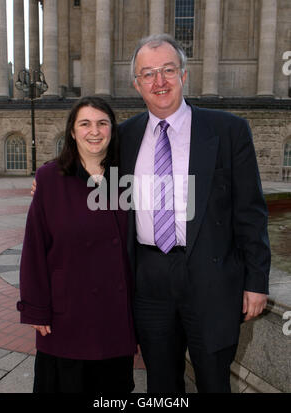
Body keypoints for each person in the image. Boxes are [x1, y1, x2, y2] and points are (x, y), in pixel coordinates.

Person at [117, 34, 271, 393]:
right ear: (136, 83)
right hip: (149, 279)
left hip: (211, 278)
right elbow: (89, 177)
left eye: (168, 70)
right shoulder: (124, 137)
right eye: (149, 73)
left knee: (214, 381)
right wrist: (48, 181)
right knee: (161, 383)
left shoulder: (229, 130)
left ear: (184, 76)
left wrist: (256, 281)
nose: (160, 82)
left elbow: (251, 212)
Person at [17, 96, 136, 393]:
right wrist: (35, 308)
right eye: (85, 123)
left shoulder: (129, 179)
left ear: (112, 129)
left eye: (102, 123)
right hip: (66, 313)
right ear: (72, 131)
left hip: (114, 314)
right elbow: (34, 249)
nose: (94, 131)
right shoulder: (50, 178)